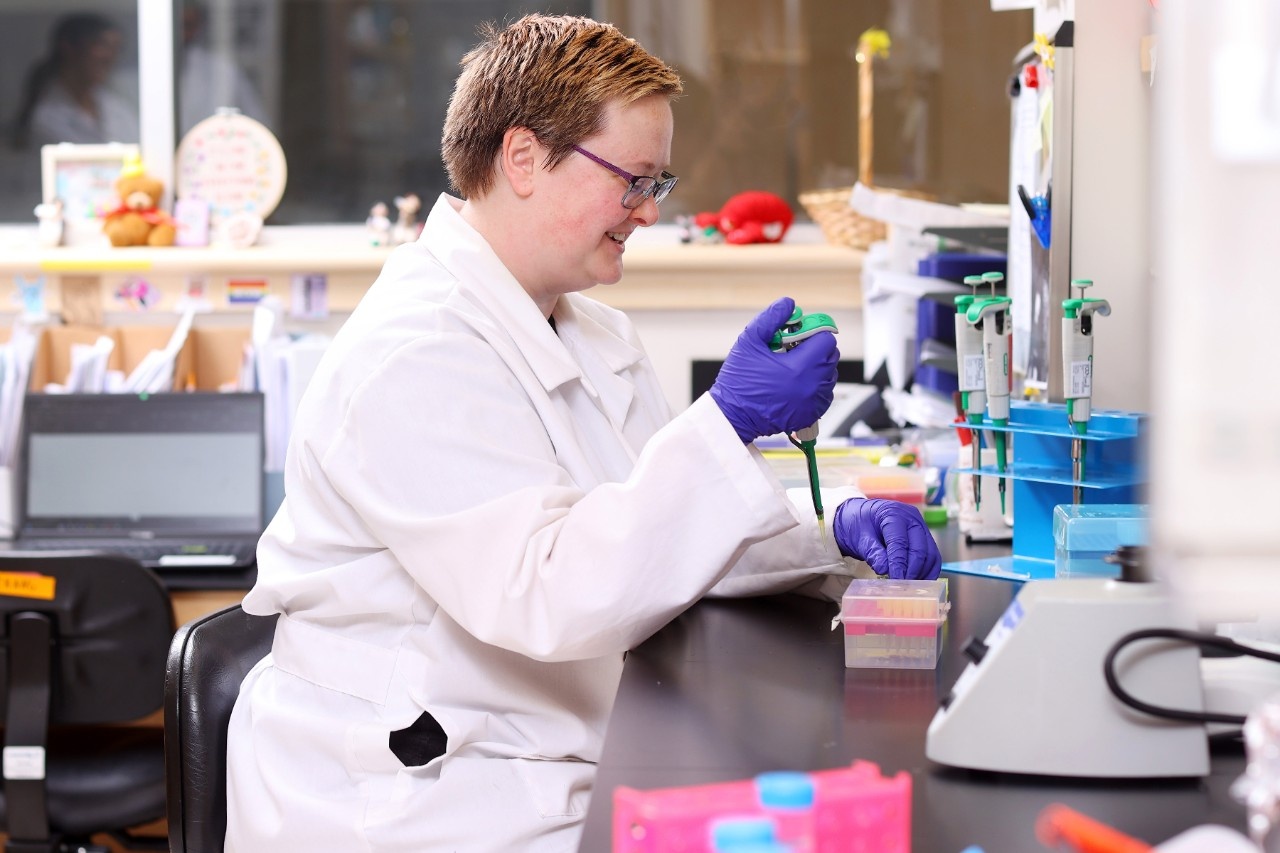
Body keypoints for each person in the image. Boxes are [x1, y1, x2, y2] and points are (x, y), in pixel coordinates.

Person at [224, 13, 941, 852]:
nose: (645, 210)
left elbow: (656, 538)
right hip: (419, 797)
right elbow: (553, 592)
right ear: (522, 158)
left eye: (658, 184)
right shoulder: (410, 355)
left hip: (538, 751)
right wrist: (727, 421)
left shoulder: (591, 331)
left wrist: (831, 530)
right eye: (632, 180)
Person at [9, 12, 138, 149]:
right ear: (68, 47)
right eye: (102, 45)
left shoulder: (116, 107)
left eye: (116, 48)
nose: (110, 57)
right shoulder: (44, 119)